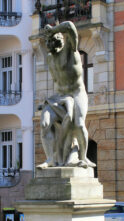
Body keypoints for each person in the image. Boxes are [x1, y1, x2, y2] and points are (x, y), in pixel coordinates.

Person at [37, 21, 95, 169]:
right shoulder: (50, 58)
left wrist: (53, 29)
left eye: (51, 40)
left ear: (59, 39)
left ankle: (83, 158)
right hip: (59, 96)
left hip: (76, 94)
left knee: (79, 124)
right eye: (47, 41)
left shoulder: (71, 50)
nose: (48, 44)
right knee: (44, 124)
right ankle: (50, 159)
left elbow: (70, 26)